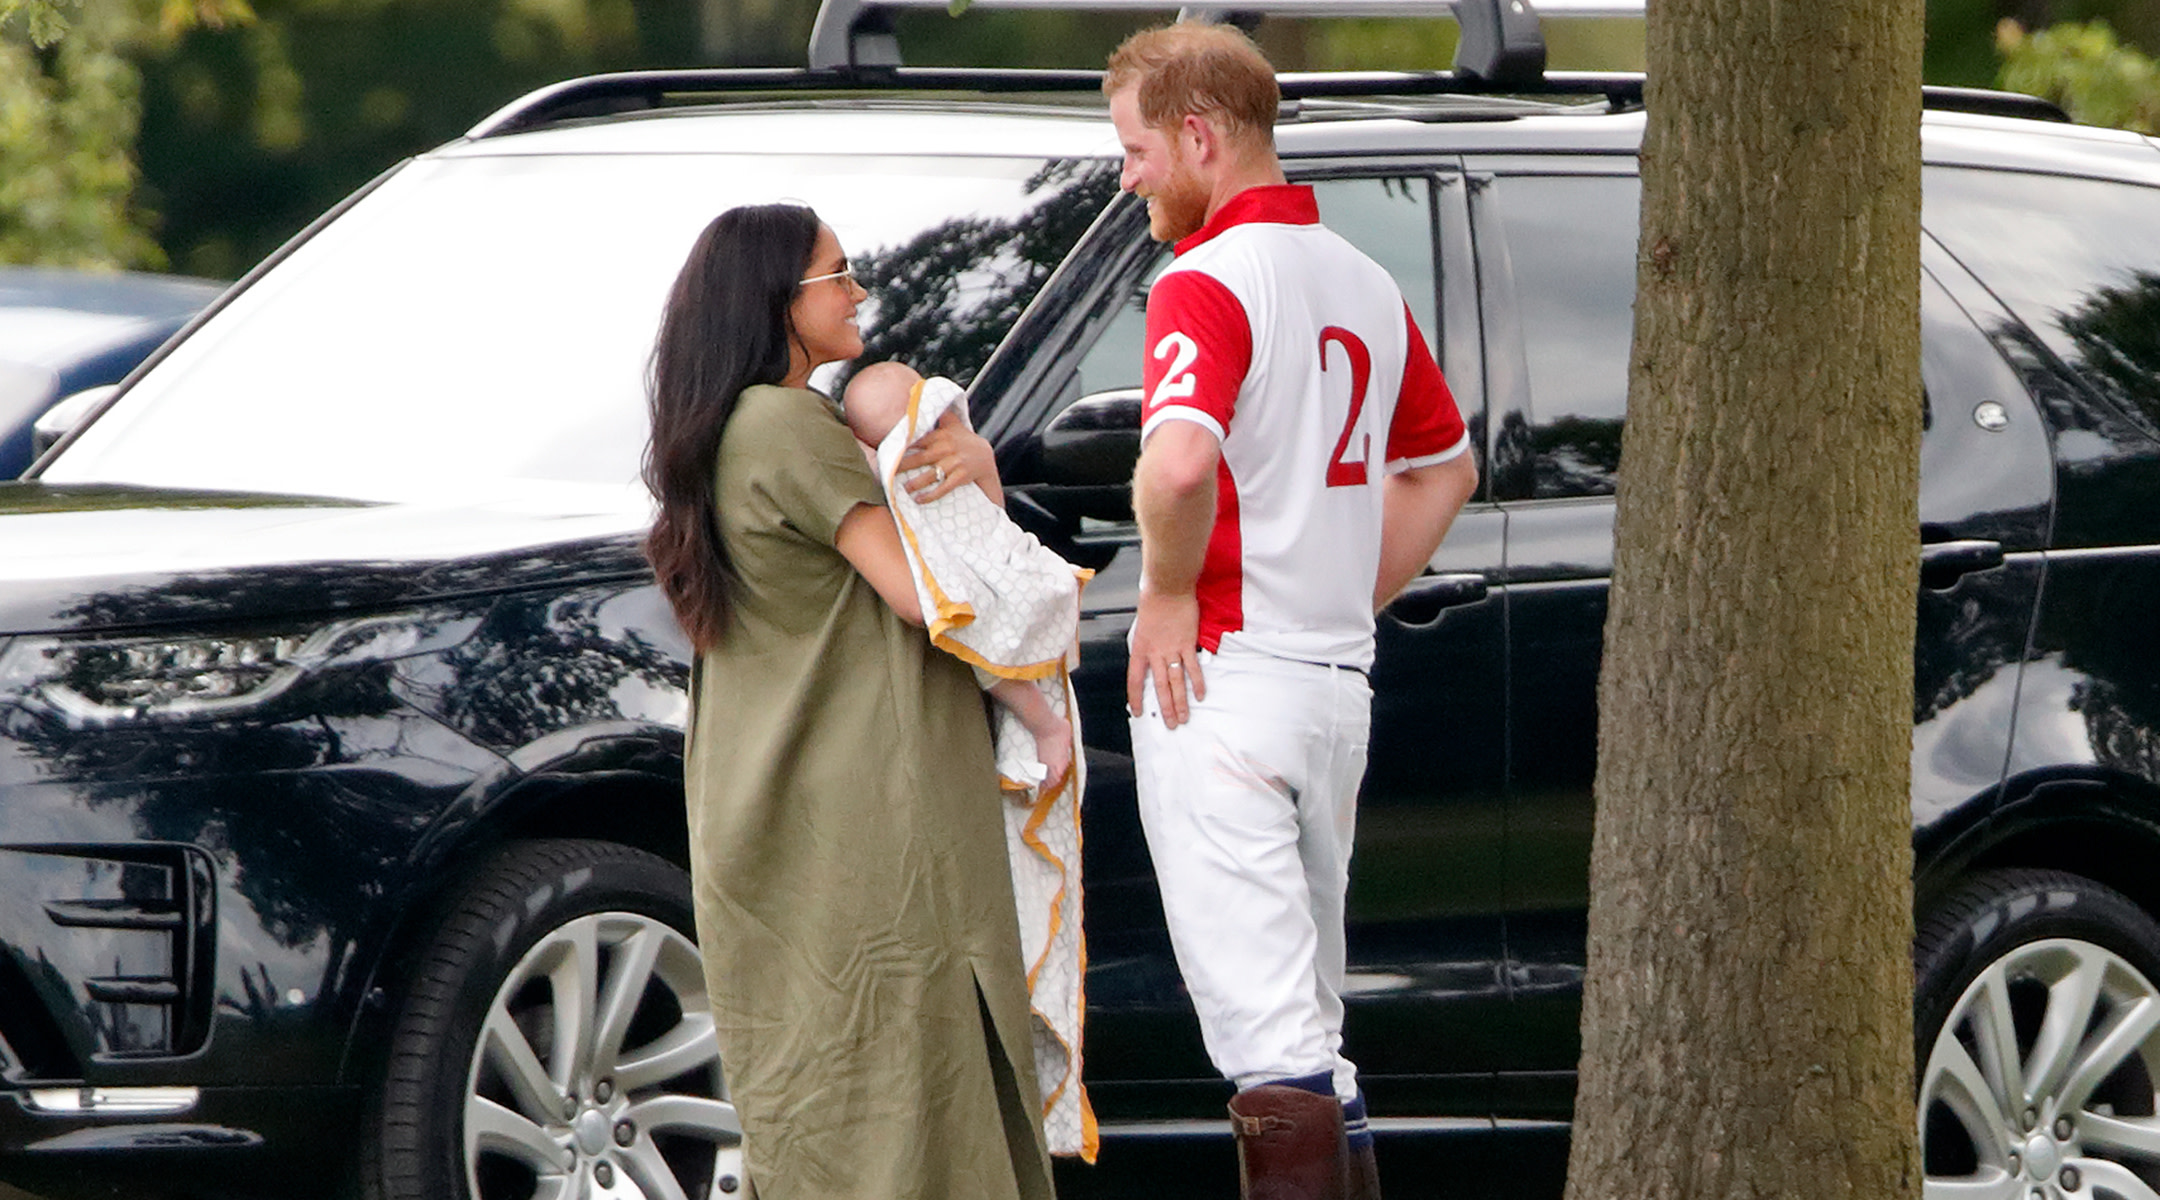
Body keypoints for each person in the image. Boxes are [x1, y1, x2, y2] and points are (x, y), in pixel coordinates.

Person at [1104, 23, 1481, 1200]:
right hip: (1331, 685)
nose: (1127, 176)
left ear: (1200, 138)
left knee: (1272, 1054)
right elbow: (1447, 466)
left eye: (1135, 149)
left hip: (1223, 682)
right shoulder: (1362, 277)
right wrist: (1334, 584)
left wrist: (1166, 591)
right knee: (1312, 1038)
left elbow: (1173, 469)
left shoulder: (1205, 279)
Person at [642, 203, 1056, 1200]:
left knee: (826, 1093)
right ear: (779, 301)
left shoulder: (727, 434)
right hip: (874, 813)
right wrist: (980, 483)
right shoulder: (788, 424)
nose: (859, 291)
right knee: (916, 1097)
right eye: (839, 274)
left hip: (774, 811)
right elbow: (934, 597)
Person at [842, 358, 1098, 1160]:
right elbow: (966, 608)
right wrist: (1041, 714)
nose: (950, 438)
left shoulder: (943, 476)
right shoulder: (898, 495)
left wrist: (982, 472)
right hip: (992, 716)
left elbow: (995, 561)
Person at [841, 360, 1076, 795]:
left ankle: (1046, 726)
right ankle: (1044, 726)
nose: (919, 441)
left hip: (993, 581)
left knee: (986, 646)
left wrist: (982, 464)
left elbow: (988, 523)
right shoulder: (887, 474)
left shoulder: (950, 451)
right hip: (972, 600)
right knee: (986, 650)